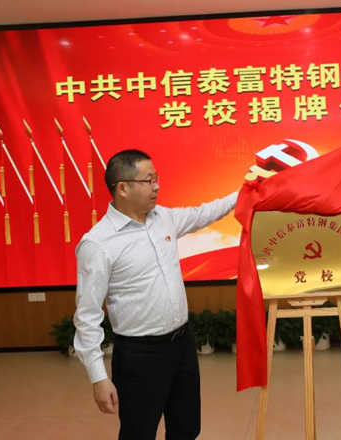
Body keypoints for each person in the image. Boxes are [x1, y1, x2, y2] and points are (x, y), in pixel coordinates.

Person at [73, 149, 238, 439]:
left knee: (187, 428)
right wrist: (98, 378)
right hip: (140, 356)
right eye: (148, 180)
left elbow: (204, 213)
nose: (157, 186)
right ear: (123, 188)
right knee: (139, 432)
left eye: (156, 178)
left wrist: (244, 192)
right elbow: (87, 317)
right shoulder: (98, 243)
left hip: (182, 345)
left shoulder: (164, 218)